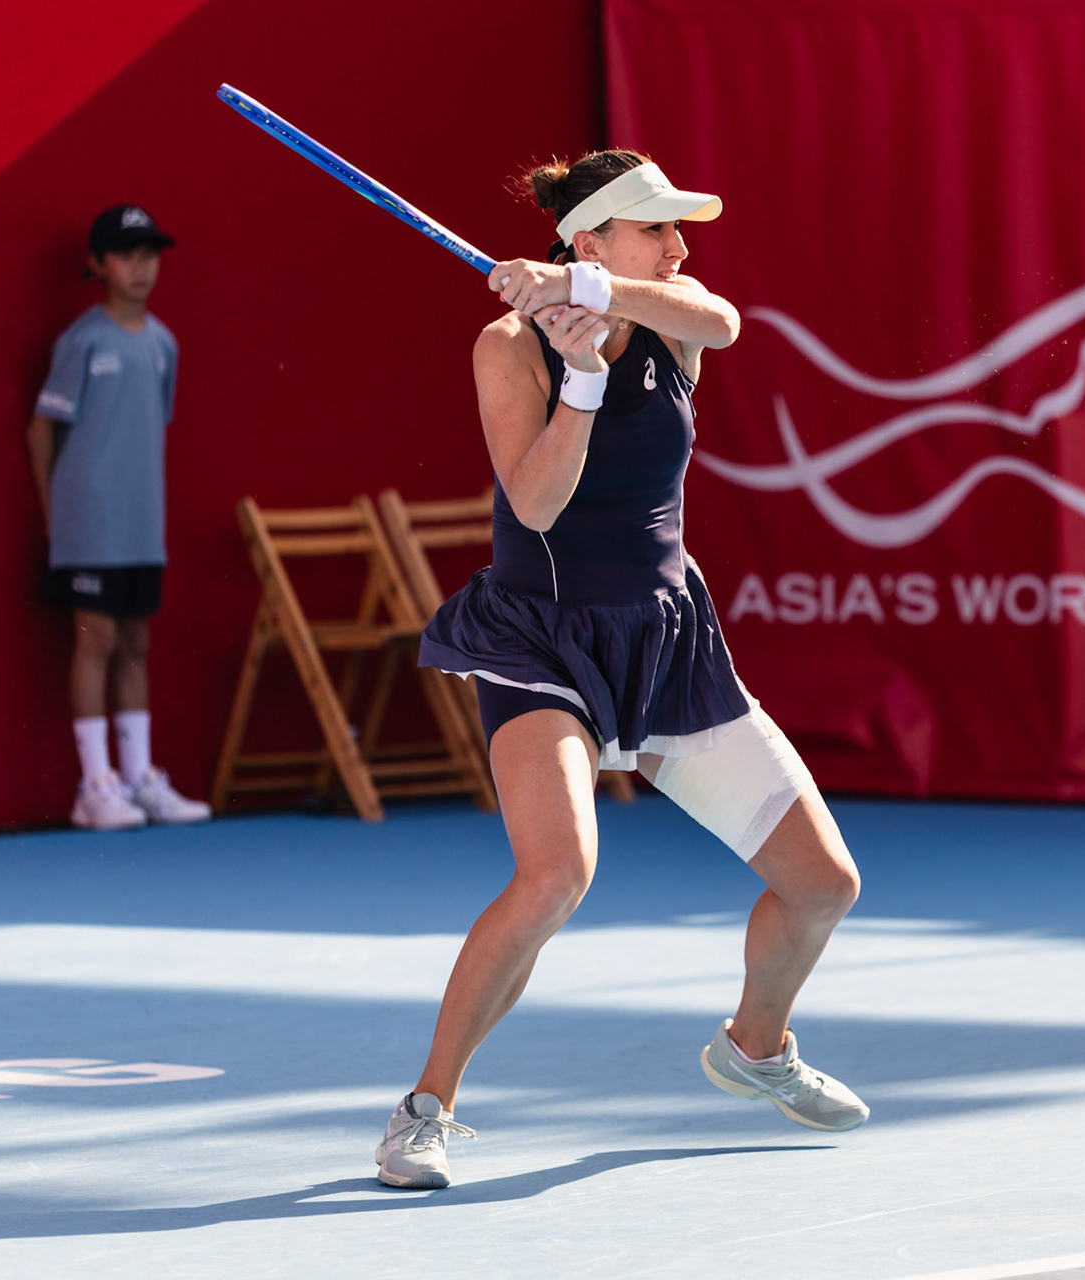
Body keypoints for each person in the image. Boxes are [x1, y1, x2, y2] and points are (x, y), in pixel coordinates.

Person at [373, 152, 866, 1190]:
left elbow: (723, 320)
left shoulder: (674, 311)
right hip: (542, 641)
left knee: (824, 885)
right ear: (592, 233)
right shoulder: (507, 344)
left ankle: (754, 1045)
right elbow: (539, 505)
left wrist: (578, 288)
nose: (680, 249)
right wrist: (583, 377)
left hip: (667, 637)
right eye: (657, 229)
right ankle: (425, 1107)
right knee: (557, 873)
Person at [25, 205, 213, 831]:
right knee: (95, 641)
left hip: (140, 524)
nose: (141, 266)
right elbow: (41, 428)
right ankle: (94, 786)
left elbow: (152, 426)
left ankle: (138, 781)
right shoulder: (82, 341)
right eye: (127, 254)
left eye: (150, 253)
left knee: (135, 643)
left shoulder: (163, 345)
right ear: (98, 265)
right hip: (87, 522)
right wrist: (59, 517)